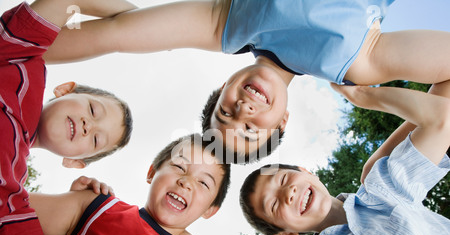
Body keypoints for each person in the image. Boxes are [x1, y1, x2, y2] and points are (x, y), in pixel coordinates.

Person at [42, 0, 450, 162]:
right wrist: (368, 102)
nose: (243, 112)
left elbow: (113, 34)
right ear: (283, 121)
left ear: (223, 91)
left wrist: (15, 57)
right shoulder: (357, 62)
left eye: (225, 114)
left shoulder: (226, 24)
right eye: (252, 130)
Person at [238, 83, 450, 235]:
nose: (288, 193)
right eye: (273, 205)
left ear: (306, 172)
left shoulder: (383, 187)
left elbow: (442, 114)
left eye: (284, 179)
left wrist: (366, 94)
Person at [0, 0, 135, 235]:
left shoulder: (13, 190)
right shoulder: (24, 62)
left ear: (75, 162)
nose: (88, 126)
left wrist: (80, 209)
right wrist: (139, 18)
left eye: (96, 139)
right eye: (94, 110)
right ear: (65, 89)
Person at [17, 133, 229, 235]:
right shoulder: (98, 206)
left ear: (210, 209)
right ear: (152, 172)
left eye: (204, 183)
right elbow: (10, 208)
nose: (187, 181)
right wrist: (69, 227)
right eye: (179, 166)